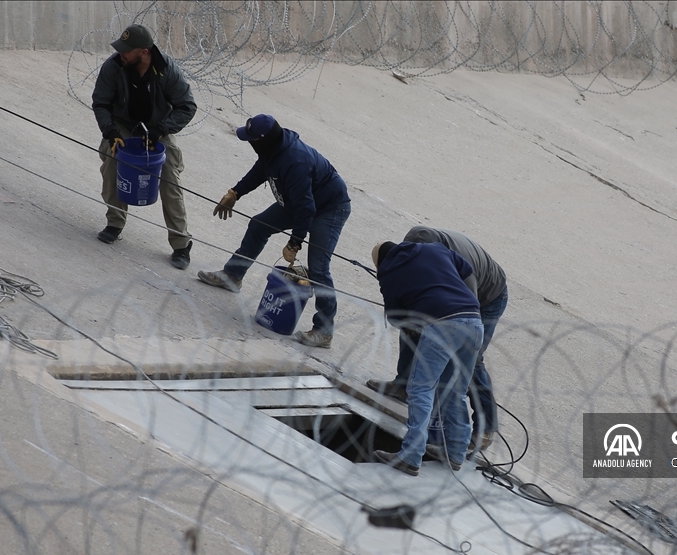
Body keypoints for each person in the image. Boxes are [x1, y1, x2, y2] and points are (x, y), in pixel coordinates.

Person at [197, 114, 352, 349]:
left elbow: (306, 208)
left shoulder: (294, 161)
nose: (248, 143)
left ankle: (324, 331)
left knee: (318, 268)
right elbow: (260, 172)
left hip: (329, 208)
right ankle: (233, 276)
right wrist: (235, 192)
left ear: (263, 140)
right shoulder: (271, 151)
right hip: (299, 201)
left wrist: (294, 242)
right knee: (260, 225)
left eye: (251, 139)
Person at [367, 225, 507, 452]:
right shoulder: (418, 251)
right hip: (456, 307)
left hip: (487, 296)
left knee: (470, 363)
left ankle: (486, 429)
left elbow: (467, 301)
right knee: (412, 327)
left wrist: (449, 334)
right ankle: (403, 386)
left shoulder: (451, 257)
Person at [369, 241, 484, 476]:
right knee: (456, 390)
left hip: (442, 325)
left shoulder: (389, 271)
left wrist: (415, 325)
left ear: (381, 262)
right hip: (474, 321)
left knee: (421, 389)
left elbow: (395, 317)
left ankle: (411, 456)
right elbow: (468, 271)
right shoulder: (434, 248)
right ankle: (455, 453)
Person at [92, 24, 197, 269]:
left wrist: (162, 129)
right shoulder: (114, 66)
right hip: (123, 124)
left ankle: (181, 244)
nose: (121, 54)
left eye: (127, 50)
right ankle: (114, 223)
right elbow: (101, 102)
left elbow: (187, 106)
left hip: (157, 127)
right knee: (112, 159)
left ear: (143, 51)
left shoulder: (167, 70)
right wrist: (110, 132)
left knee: (169, 176)